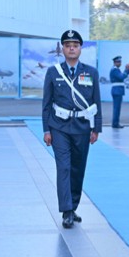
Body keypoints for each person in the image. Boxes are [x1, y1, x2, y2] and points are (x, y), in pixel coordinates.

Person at [42, 30, 102, 228]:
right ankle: (66, 211)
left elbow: (96, 101)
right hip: (59, 127)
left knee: (78, 169)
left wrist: (96, 128)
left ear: (80, 49)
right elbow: (46, 103)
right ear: (63, 49)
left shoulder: (91, 72)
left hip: (82, 128)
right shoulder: (53, 72)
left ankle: (73, 206)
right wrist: (46, 130)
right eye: (67, 45)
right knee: (64, 167)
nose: (71, 48)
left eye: (75, 45)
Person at [109, 55, 129, 128]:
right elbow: (121, 77)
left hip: (117, 91)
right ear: (115, 62)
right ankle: (115, 124)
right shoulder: (115, 70)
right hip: (117, 91)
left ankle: (115, 123)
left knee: (117, 108)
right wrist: (127, 70)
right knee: (117, 108)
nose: (120, 63)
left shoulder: (115, 69)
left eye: (120, 62)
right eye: (118, 62)